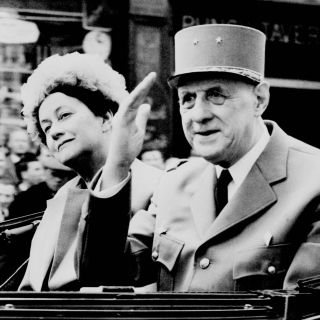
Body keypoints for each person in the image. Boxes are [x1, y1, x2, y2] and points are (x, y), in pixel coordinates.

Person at [77, 24, 320, 292]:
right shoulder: (175, 184)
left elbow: (304, 309)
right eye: (188, 99)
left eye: (216, 95)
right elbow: (104, 276)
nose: (198, 115)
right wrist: (118, 163)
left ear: (260, 99)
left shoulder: (311, 180)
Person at [17, 52, 161, 291]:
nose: (54, 132)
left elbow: (119, 280)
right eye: (46, 127)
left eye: (64, 115)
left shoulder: (157, 186)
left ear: (106, 118)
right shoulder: (60, 199)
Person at [9, 154, 75, 218]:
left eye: (63, 176)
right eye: (54, 174)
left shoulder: (74, 193)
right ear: (45, 172)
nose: (58, 179)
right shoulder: (27, 197)